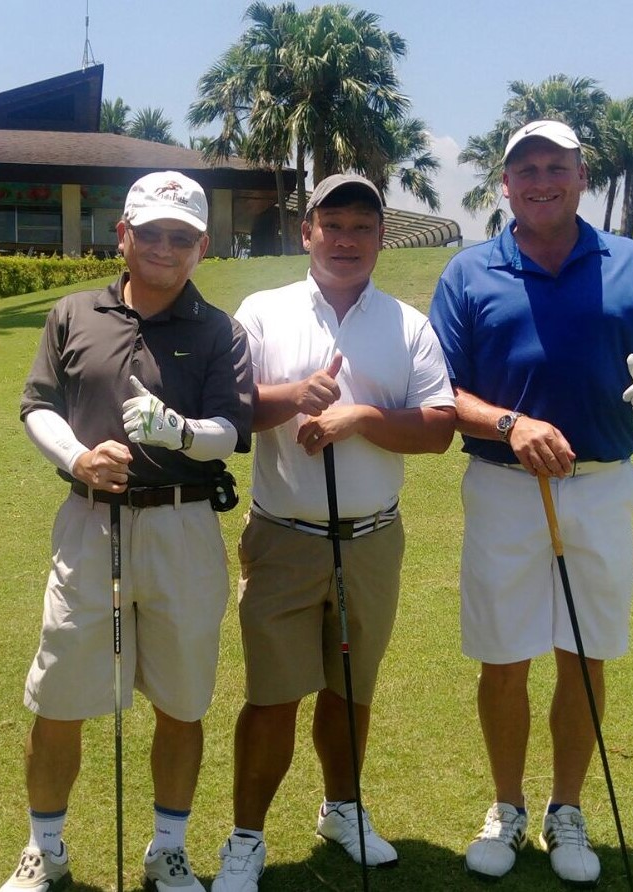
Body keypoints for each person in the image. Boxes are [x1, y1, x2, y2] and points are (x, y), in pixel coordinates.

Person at [427, 120, 633, 886]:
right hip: (504, 489)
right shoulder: (469, 271)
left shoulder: (632, 265)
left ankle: (565, 808)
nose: (540, 180)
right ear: (505, 185)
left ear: (580, 177)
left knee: (585, 653)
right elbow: (441, 391)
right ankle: (506, 806)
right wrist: (511, 424)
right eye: (526, 169)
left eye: (555, 167)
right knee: (503, 657)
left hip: (601, 486)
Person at [1, 170, 253, 892]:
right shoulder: (73, 313)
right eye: (150, 233)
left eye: (180, 236)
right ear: (123, 235)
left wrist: (178, 431)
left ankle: (167, 848)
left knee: (182, 701)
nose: (163, 248)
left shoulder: (219, 330)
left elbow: (232, 430)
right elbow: (38, 405)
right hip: (91, 524)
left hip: (183, 525)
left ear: (201, 245)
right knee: (60, 696)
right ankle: (44, 848)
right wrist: (78, 458)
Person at [210, 174, 456, 892]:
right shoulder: (263, 311)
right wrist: (293, 399)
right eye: (333, 225)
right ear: (306, 232)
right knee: (271, 696)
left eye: (361, 227)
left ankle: (342, 809)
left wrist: (360, 418)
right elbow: (230, 410)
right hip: (283, 537)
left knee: (351, 688)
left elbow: (438, 428)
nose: (346, 240)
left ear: (381, 238)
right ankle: (246, 838)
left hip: (372, 539)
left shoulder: (407, 325)